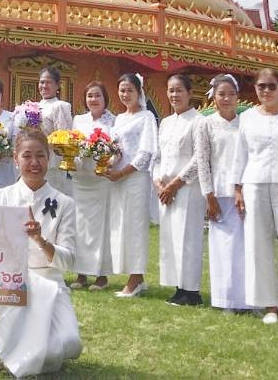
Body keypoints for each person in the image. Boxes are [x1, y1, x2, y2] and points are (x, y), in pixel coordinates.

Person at [0, 126, 82, 377]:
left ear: (49, 159)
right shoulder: (2, 197)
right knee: (40, 356)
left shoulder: (65, 203)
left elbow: (69, 260)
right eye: (27, 155)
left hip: (50, 282)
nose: (34, 162)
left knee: (70, 343)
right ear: (16, 159)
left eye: (40, 155)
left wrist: (41, 240)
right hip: (15, 282)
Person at [234, 68, 278, 325]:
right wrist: (237, 188)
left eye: (271, 86)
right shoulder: (248, 118)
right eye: (261, 86)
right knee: (258, 246)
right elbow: (240, 154)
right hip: (254, 183)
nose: (266, 91)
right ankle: (269, 306)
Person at [154, 70, 206, 306]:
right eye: (171, 90)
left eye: (179, 90)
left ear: (189, 93)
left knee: (188, 239)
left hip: (187, 188)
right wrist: (158, 182)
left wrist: (175, 184)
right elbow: (157, 156)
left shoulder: (198, 121)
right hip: (165, 190)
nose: (174, 95)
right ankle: (178, 287)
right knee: (171, 239)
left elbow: (199, 158)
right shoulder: (165, 122)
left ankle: (192, 291)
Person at [196, 73, 246, 311]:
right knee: (222, 249)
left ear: (238, 96)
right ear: (213, 97)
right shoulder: (206, 123)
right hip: (218, 194)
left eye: (231, 94)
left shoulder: (245, 123)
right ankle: (224, 299)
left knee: (243, 249)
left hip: (243, 194)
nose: (226, 98)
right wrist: (209, 195)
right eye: (221, 94)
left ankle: (247, 300)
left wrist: (244, 188)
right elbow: (203, 161)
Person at [105, 72, 157, 298]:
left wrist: (123, 172)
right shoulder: (118, 119)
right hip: (117, 179)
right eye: (122, 90)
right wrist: (108, 164)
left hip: (135, 178)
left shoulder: (146, 117)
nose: (126, 95)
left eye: (130, 90)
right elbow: (116, 149)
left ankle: (135, 278)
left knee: (135, 226)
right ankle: (138, 278)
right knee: (122, 225)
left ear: (139, 92)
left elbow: (146, 152)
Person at [70, 81, 114, 291]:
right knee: (80, 225)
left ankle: (101, 275)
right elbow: (71, 144)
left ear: (105, 98)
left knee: (101, 227)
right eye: (89, 96)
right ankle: (81, 273)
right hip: (81, 178)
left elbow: (117, 148)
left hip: (102, 180)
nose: (93, 99)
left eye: (97, 95)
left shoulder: (114, 121)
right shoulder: (78, 120)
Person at [26, 66, 74, 190]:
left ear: (57, 85)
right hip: (33, 159)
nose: (44, 85)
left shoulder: (60, 106)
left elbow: (63, 138)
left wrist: (42, 139)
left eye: (48, 82)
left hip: (52, 161)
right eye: (42, 82)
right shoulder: (34, 106)